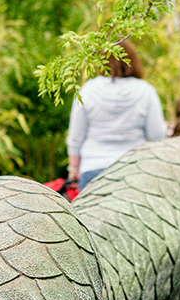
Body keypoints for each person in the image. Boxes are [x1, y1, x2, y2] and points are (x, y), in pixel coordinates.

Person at [66, 39, 166, 190]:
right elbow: (157, 135)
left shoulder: (88, 90)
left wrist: (73, 170)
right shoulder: (145, 91)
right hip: (133, 170)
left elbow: (76, 137)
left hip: (93, 168)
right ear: (132, 61)